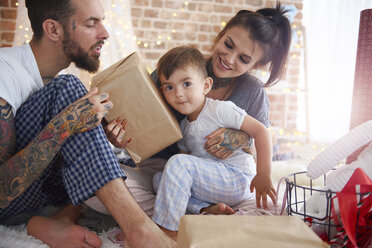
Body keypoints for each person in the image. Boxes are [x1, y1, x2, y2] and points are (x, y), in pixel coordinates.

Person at [0, 0, 175, 247]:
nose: (105, 33)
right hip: (8, 205)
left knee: (122, 158)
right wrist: (66, 125)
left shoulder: (56, 80)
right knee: (70, 89)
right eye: (91, 24)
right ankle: (140, 231)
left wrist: (97, 136)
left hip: (46, 198)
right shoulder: (5, 71)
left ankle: (59, 218)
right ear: (53, 30)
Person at [107, 2, 292, 218]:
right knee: (107, 183)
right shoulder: (180, 69)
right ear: (220, 35)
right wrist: (121, 137)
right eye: (228, 44)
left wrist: (241, 139)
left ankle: (173, 216)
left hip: (221, 178)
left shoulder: (251, 92)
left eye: (243, 59)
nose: (229, 59)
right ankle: (201, 212)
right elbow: (138, 121)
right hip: (163, 168)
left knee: (277, 209)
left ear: (256, 65)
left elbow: (262, 138)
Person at [151, 45, 274, 239]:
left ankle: (169, 231)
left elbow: (261, 131)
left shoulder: (220, 110)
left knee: (176, 163)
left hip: (237, 178)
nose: (178, 93)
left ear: (206, 86)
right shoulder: (183, 126)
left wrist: (264, 174)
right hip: (213, 183)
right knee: (159, 180)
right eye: (169, 87)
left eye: (186, 84)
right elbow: (184, 164)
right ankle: (206, 209)